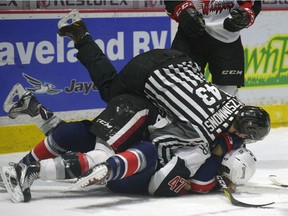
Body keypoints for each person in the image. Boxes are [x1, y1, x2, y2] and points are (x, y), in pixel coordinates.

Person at [1, 9, 270, 201]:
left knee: (91, 131)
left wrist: (226, 147)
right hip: (146, 81)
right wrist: (217, 160)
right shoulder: (203, 136)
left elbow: (228, 133)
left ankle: (32, 112)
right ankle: (80, 36)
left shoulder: (230, 104)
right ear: (244, 133)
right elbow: (167, 151)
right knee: (109, 97)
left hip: (178, 60)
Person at [164, 0, 262, 96]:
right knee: (182, 86)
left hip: (228, 37)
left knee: (228, 92)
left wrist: (246, 13)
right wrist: (183, 9)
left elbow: (253, 3)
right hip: (191, 33)